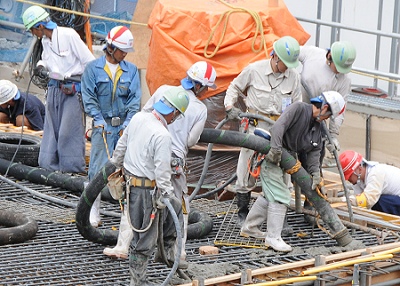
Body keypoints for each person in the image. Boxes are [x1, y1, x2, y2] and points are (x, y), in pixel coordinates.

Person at [103, 61, 216, 269]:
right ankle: (176, 254)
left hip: (145, 154)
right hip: (172, 160)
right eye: (206, 87)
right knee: (179, 206)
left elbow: (146, 114)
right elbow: (191, 141)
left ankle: (121, 246)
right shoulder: (199, 108)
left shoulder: (164, 90)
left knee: (134, 198)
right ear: (199, 86)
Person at [241, 91, 346, 252]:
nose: (326, 119)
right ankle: (273, 238)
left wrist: (316, 174)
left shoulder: (317, 127)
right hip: (271, 155)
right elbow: (278, 127)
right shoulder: (298, 109)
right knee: (281, 195)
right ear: (324, 108)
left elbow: (314, 152)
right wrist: (275, 150)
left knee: (270, 194)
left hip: (286, 158)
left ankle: (250, 227)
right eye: (328, 115)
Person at [109, 86, 189, 285]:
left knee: (175, 210)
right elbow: (162, 172)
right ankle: (139, 281)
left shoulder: (138, 118)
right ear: (174, 112)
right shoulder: (162, 135)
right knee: (144, 239)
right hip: (147, 191)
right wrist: (166, 194)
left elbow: (121, 147)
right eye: (177, 115)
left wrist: (116, 166)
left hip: (131, 186)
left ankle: (167, 253)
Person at [223, 35, 302, 224]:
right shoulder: (254, 70)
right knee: (246, 172)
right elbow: (234, 87)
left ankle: (276, 218)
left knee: (283, 175)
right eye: (285, 63)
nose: (288, 67)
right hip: (256, 127)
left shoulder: (294, 77)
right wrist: (229, 107)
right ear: (274, 57)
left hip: (280, 131)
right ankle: (243, 212)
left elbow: (297, 105)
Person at [22, 5, 95, 173]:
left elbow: (89, 62)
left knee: (68, 133)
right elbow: (46, 59)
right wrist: (41, 65)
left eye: (32, 29)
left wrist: (83, 85)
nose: (33, 34)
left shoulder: (68, 35)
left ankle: (71, 171)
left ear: (40, 26)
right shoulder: (46, 41)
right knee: (51, 131)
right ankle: (49, 168)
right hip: (54, 89)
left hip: (72, 91)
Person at [81, 25, 142, 228]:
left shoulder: (131, 71)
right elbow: (89, 97)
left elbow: (135, 99)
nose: (124, 54)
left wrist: (127, 124)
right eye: (122, 50)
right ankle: (93, 211)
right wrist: (97, 119)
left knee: (127, 169)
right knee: (98, 169)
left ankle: (127, 214)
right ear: (110, 47)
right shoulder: (92, 69)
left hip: (123, 127)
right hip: (102, 127)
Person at [298, 41, 356, 152]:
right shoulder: (312, 54)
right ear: (329, 56)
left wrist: (332, 135)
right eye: (338, 67)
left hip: (316, 121)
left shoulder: (344, 80)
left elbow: (339, 110)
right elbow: (291, 54)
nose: (340, 71)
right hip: (296, 111)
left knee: (314, 156)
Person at [339, 150, 400, 215]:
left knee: (378, 201)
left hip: (397, 200)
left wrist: (344, 200)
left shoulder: (375, 173)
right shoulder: (358, 180)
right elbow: (359, 202)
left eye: (349, 176)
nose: (348, 179)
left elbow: (368, 199)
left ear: (359, 169)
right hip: (395, 200)